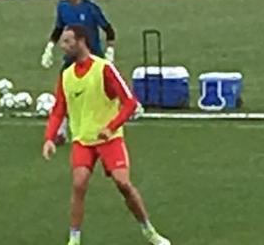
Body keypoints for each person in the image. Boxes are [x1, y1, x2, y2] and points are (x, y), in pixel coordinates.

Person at [42, 25, 171, 245]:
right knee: (79, 183)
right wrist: (49, 138)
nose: (63, 47)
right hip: (83, 140)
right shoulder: (66, 76)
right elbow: (58, 109)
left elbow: (130, 103)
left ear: (81, 41)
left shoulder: (104, 69)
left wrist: (111, 127)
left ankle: (149, 231)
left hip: (109, 139)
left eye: (67, 42)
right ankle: (74, 239)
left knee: (123, 184)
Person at [41, 0, 117, 143]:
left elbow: (109, 30)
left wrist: (110, 52)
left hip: (93, 58)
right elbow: (59, 28)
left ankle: (108, 125)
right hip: (71, 57)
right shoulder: (62, 7)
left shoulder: (91, 9)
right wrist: (49, 48)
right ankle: (60, 131)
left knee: (100, 93)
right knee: (64, 91)